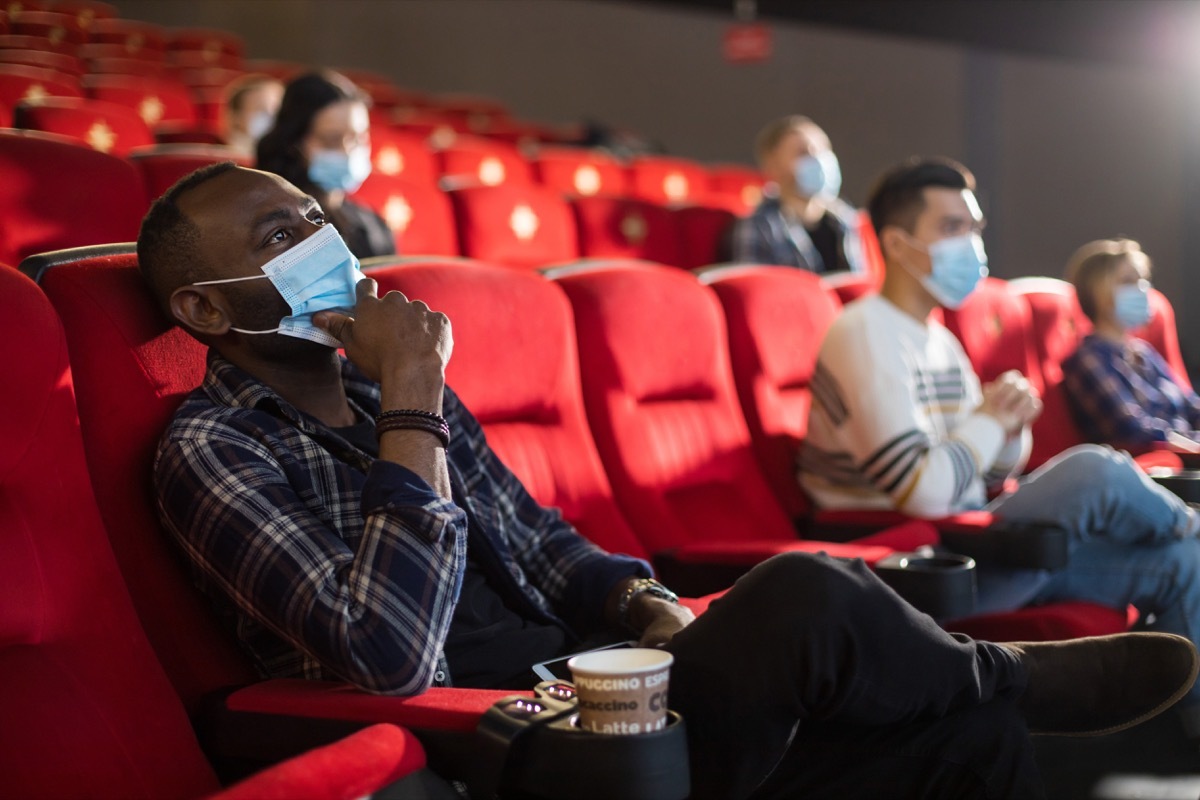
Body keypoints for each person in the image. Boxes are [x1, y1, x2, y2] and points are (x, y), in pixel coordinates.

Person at [137, 162, 1198, 799]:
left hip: (614, 689)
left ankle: (997, 692)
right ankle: (1011, 671)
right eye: (284, 237)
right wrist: (413, 390)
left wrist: (646, 603)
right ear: (209, 312)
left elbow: (541, 538)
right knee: (803, 590)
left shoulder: (385, 397)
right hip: (504, 742)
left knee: (968, 740)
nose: (324, 244)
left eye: (318, 219)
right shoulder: (214, 448)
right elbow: (388, 652)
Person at [798, 156, 1200, 738]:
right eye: (952, 228)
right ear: (897, 241)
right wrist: (988, 422)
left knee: (1184, 563)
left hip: (977, 539)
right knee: (1095, 470)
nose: (972, 244)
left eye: (975, 228)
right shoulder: (863, 332)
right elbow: (924, 492)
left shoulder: (938, 339)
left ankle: (1187, 740)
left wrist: (1009, 429)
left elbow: (984, 475)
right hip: (911, 566)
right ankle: (1188, 521)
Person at [1062, 238, 1200, 454]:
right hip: (1154, 467)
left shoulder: (1143, 351)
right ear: (1098, 293)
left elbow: (1191, 406)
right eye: (1128, 281)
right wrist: (1189, 443)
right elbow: (1130, 428)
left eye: (1143, 279)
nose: (1142, 289)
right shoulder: (1089, 359)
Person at [256, 70, 395, 260]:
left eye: (358, 138)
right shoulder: (274, 227)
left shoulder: (372, 223)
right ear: (293, 143)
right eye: (331, 140)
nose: (347, 151)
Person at [731, 115, 866, 274]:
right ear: (773, 167)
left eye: (824, 149)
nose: (818, 159)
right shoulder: (759, 227)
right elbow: (757, 293)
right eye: (803, 152)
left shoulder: (845, 218)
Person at [221, 74, 284, 159]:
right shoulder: (225, 161)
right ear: (236, 117)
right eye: (261, 109)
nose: (272, 116)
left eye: (278, 110)